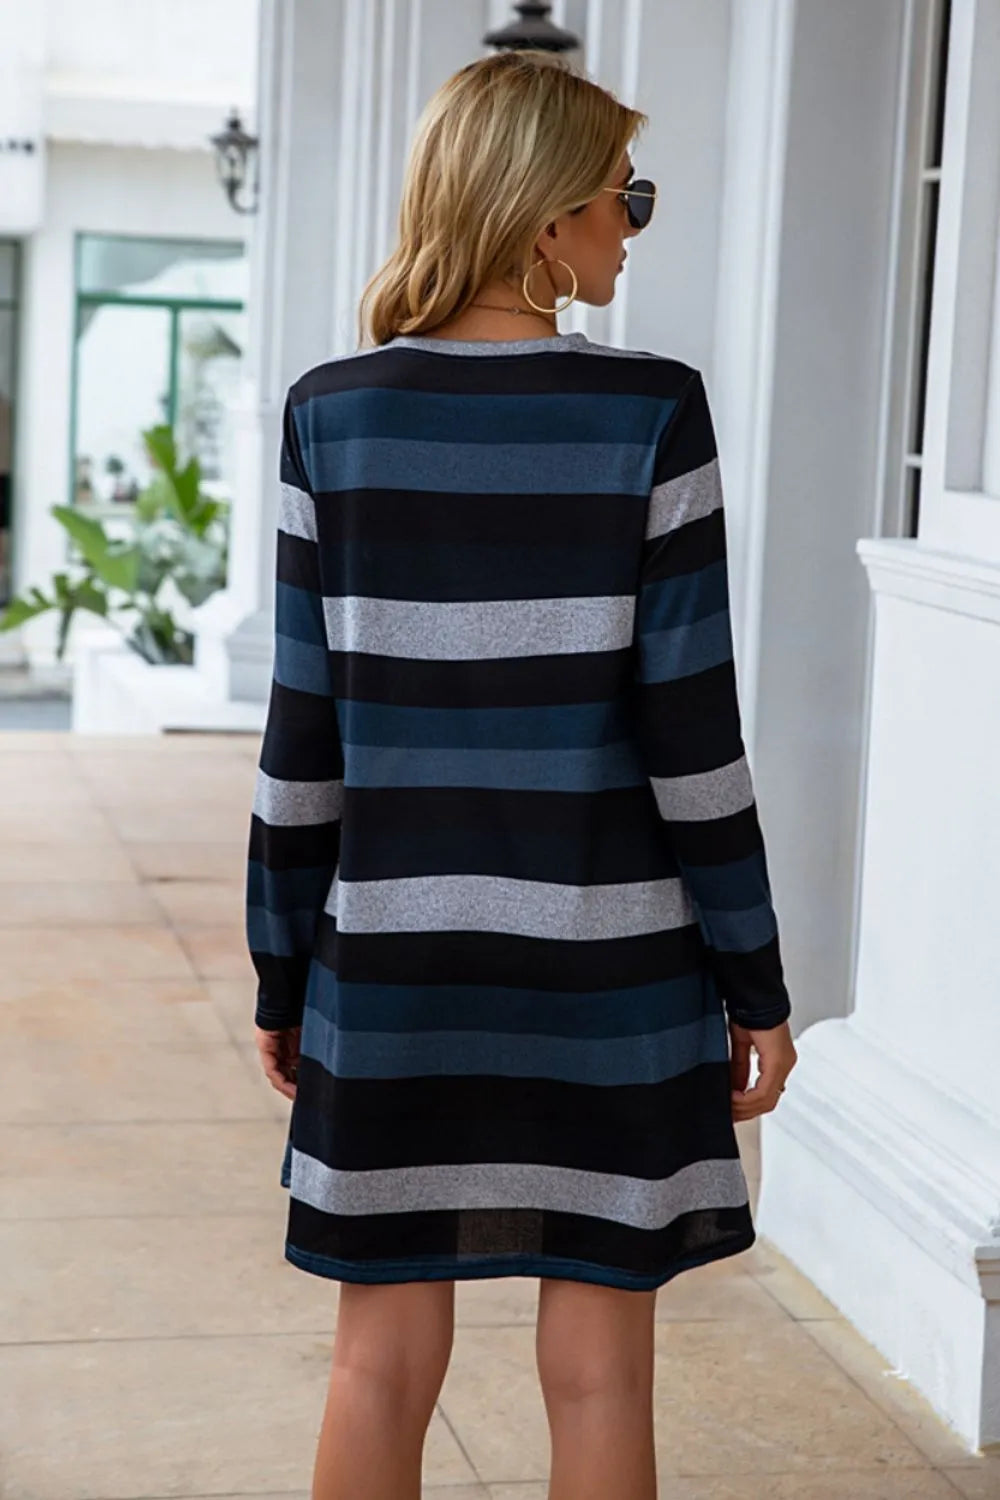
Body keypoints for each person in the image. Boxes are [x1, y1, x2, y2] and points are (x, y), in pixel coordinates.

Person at [245, 47, 797, 1500]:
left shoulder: (330, 413)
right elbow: (693, 736)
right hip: (609, 973)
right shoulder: (651, 413)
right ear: (548, 219)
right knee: (603, 1373)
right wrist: (755, 980)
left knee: (376, 1366)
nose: (634, 227)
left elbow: (303, 740)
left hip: (398, 961)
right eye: (627, 197)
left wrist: (283, 969)